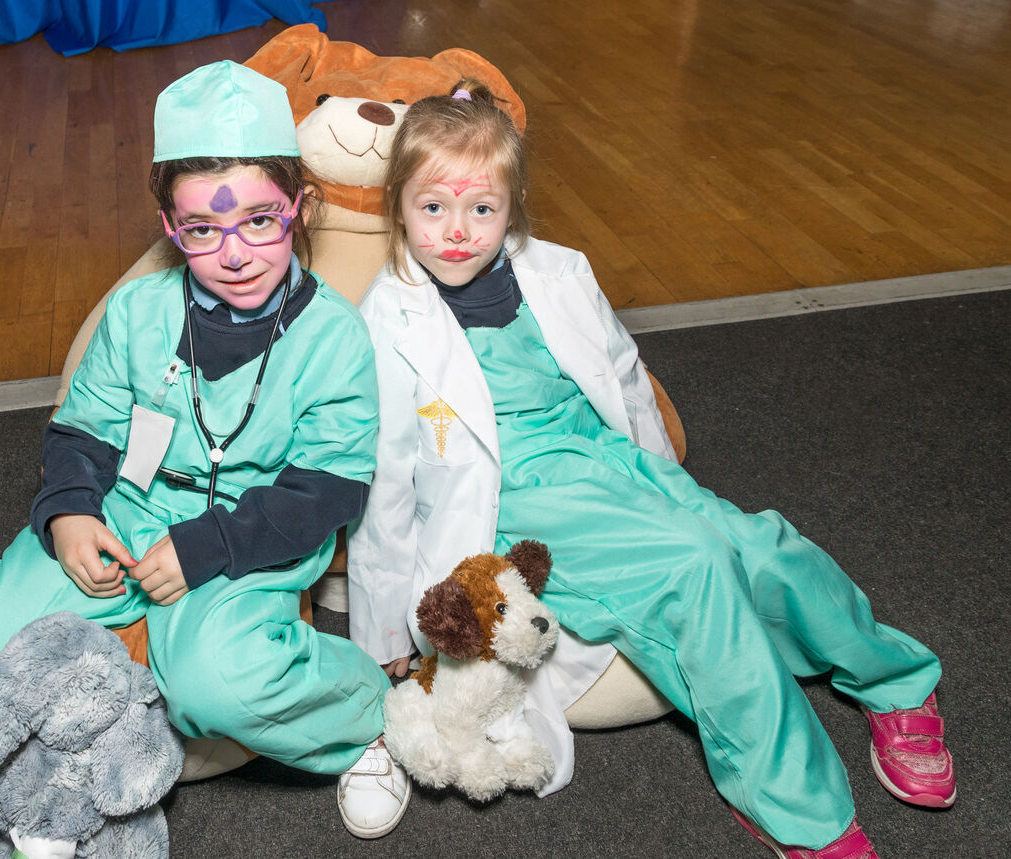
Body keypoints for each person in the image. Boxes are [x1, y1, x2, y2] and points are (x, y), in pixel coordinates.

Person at [347, 79, 953, 857]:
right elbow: (383, 485)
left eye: (482, 209)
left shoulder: (559, 270)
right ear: (397, 204)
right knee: (695, 568)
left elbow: (624, 379)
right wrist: (382, 624)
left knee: (754, 541)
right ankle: (798, 806)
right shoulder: (384, 319)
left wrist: (674, 489)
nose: (457, 232)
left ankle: (897, 678)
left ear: (514, 205)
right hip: (514, 499)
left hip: (609, 461)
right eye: (434, 208)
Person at [0, 61, 410, 840]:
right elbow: (83, 429)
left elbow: (328, 490)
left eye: (259, 219)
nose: (235, 252)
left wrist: (210, 544)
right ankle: (13, 633)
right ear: (169, 225)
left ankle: (370, 715)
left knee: (218, 688)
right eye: (203, 228)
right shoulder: (138, 309)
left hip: (251, 535)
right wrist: (71, 511)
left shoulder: (335, 338)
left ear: (300, 208)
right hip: (129, 510)